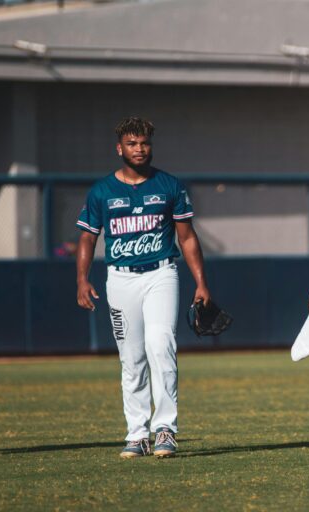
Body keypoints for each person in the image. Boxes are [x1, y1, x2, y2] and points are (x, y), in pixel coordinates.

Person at [75, 117, 211, 459]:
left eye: (144, 142)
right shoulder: (102, 191)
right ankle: (137, 434)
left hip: (161, 274)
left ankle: (165, 428)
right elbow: (88, 237)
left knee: (160, 343)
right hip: (120, 278)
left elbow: (188, 236)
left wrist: (200, 282)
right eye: (132, 143)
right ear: (119, 148)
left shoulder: (169, 185)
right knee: (131, 358)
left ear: (151, 145)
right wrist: (82, 278)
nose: (139, 149)